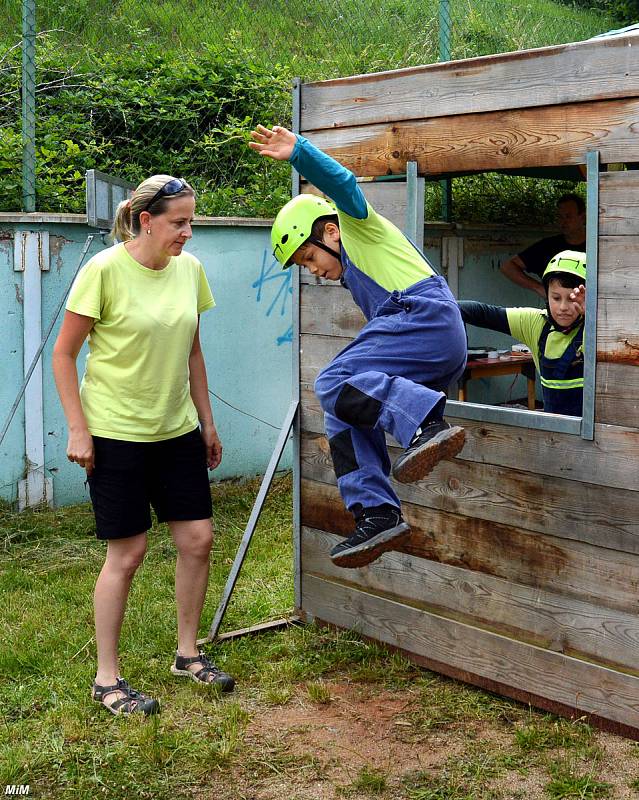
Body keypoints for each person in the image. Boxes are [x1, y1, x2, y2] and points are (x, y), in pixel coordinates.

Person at [52, 175, 235, 716]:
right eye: (179, 222)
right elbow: (64, 355)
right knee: (127, 553)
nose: (188, 233)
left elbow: (193, 352)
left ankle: (187, 654)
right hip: (115, 434)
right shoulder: (104, 271)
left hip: (175, 429)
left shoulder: (190, 271)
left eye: (191, 221)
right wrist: (78, 428)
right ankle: (107, 680)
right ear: (145, 220)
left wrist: (207, 421)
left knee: (198, 538)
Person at [249, 124, 467, 570]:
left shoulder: (359, 229)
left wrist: (300, 153)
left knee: (332, 379)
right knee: (342, 407)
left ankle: (427, 423)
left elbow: (344, 184)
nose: (313, 270)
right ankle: (377, 512)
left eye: (310, 258)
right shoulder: (360, 271)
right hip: (429, 343)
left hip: (424, 319)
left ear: (330, 231)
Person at [459, 250, 586, 416]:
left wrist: (593, 316)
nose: (562, 307)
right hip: (553, 433)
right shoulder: (537, 323)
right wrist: (432, 306)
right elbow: (481, 313)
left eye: (571, 299)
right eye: (555, 298)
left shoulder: (598, 331)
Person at [500, 193, 586, 298]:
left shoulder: (598, 246)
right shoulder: (548, 246)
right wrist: (539, 288)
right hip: (555, 312)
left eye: (568, 216)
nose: (563, 222)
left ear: (582, 217)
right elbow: (508, 267)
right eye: (560, 217)